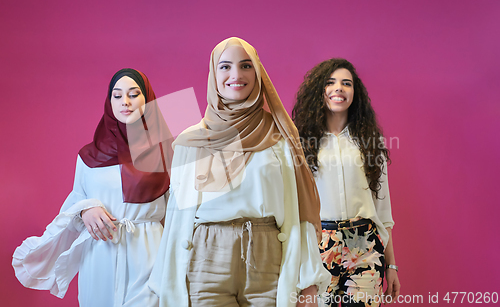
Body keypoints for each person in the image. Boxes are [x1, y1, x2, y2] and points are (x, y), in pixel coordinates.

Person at [148, 37, 330, 307]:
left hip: (268, 255)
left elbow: (299, 210)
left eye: (246, 66)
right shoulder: (191, 140)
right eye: (225, 67)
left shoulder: (280, 137)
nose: (236, 75)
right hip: (206, 258)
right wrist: (165, 280)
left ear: (257, 74)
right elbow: (177, 215)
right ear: (213, 74)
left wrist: (308, 279)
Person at [13, 68, 171, 307]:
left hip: (150, 251)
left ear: (147, 100)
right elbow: (76, 202)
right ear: (109, 102)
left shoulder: (167, 150)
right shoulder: (88, 156)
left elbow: (178, 209)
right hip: (100, 254)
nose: (125, 102)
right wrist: (86, 209)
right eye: (117, 96)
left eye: (134, 94)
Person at [292, 58, 401, 306]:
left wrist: (391, 264)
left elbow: (383, 211)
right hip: (318, 245)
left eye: (346, 83)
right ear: (319, 92)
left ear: (355, 93)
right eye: (330, 83)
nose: (339, 88)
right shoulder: (301, 144)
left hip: (365, 245)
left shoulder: (371, 143)